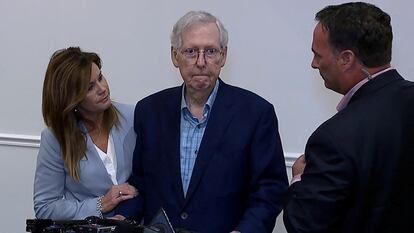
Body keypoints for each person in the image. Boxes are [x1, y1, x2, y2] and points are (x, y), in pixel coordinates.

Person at [118, 11, 288, 233]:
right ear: (174, 56)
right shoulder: (149, 111)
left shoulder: (256, 113)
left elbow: (270, 189)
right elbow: (141, 185)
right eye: (190, 52)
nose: (201, 62)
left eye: (210, 51)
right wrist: (123, 218)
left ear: (223, 56)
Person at [283, 2, 414, 232]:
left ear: (346, 59)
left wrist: (299, 179)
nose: (314, 64)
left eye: (317, 54)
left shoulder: (334, 138)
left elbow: (304, 225)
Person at [33, 47, 138, 220]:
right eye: (90, 88)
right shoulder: (55, 139)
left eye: (100, 78)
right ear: (71, 99)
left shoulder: (133, 117)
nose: (102, 88)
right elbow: (45, 207)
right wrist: (101, 204)